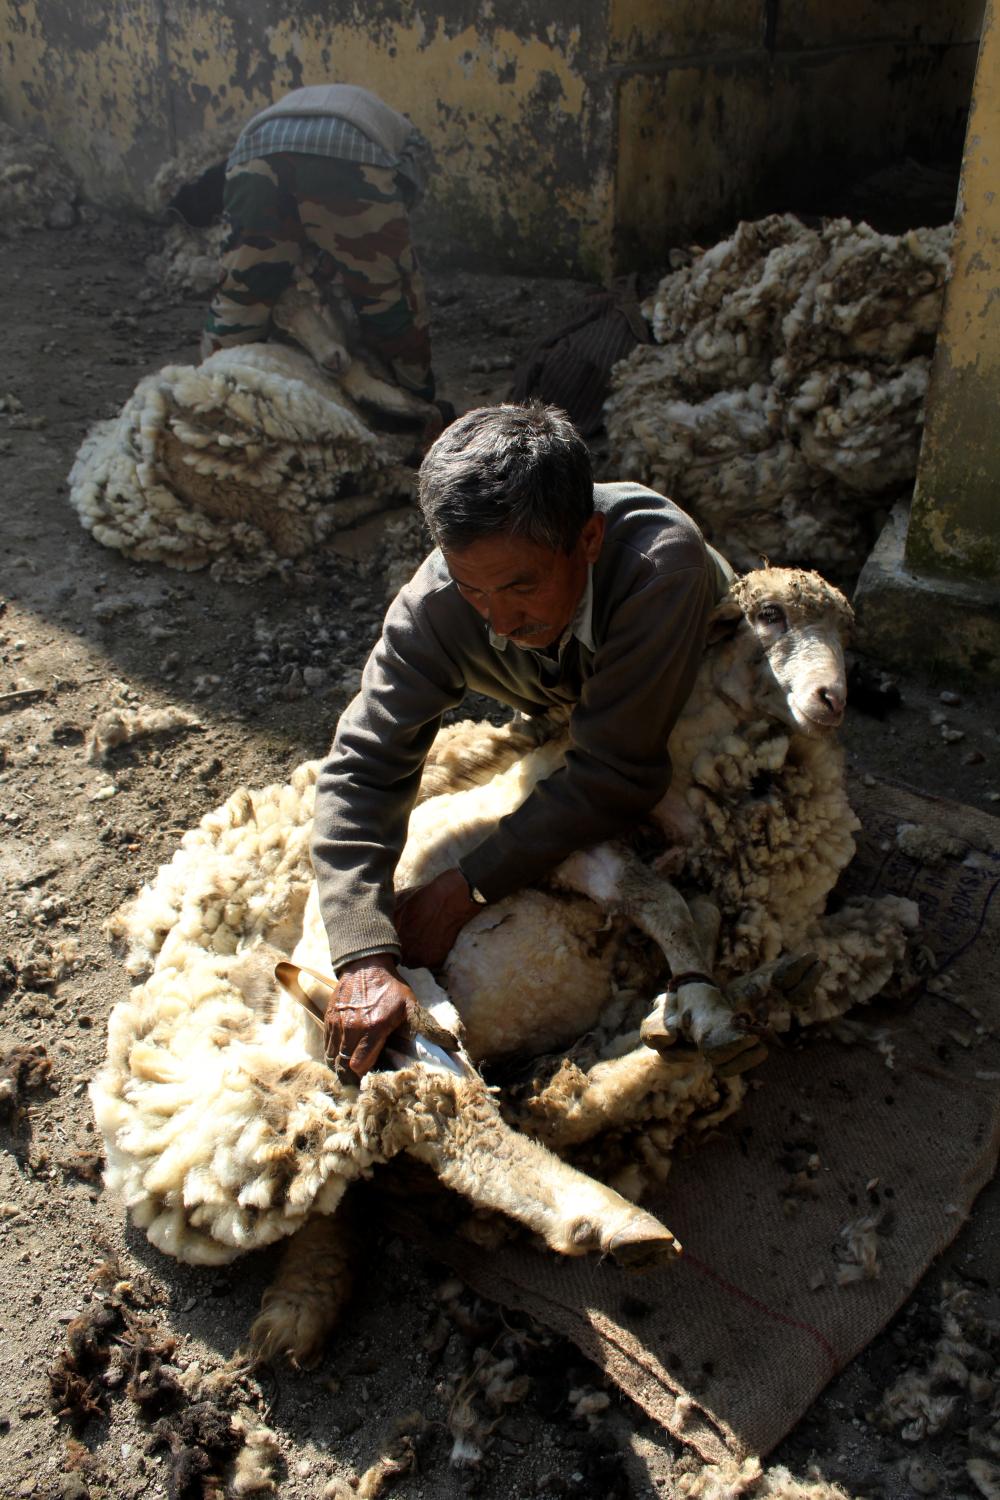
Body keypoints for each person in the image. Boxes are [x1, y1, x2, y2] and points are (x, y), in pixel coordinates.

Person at [312, 402, 735, 1077]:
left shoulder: (661, 570)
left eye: (522, 587)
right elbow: (364, 763)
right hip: (582, 702)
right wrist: (363, 954)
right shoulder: (437, 607)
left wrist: (465, 888)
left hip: (694, 694)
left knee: (731, 856)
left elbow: (614, 774)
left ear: (588, 538)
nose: (501, 620)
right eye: (474, 590)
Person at [202, 83, 436, 402]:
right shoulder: (413, 144)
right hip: (348, 154)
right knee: (390, 297)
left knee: (241, 297)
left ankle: (206, 395)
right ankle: (418, 403)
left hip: (257, 150)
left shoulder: (327, 103)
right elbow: (395, 205)